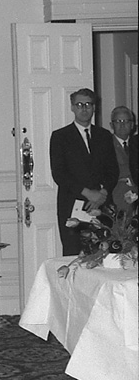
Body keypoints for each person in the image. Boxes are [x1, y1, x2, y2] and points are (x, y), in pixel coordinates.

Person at [49, 88, 119, 256]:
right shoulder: (60, 137)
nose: (84, 109)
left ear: (94, 107)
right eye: (79, 104)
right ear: (72, 107)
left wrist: (102, 193)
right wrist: (87, 193)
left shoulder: (104, 136)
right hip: (73, 203)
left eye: (88, 104)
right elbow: (59, 173)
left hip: (102, 204)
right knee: (75, 254)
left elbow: (112, 170)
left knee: (103, 253)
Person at [109, 106, 137, 212]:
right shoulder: (106, 145)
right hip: (117, 201)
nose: (122, 124)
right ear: (111, 125)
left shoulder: (136, 144)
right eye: (118, 121)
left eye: (126, 121)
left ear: (132, 125)